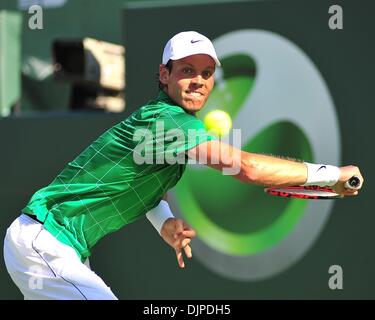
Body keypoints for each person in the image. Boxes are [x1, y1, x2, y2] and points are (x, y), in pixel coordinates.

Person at [3, 31, 364, 300]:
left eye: (207, 73)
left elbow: (134, 181)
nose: (199, 81)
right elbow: (247, 168)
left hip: (47, 246)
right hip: (45, 241)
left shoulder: (164, 124)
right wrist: (331, 175)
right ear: (164, 74)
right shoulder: (170, 122)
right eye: (188, 70)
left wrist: (164, 222)